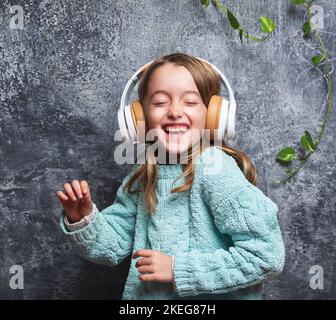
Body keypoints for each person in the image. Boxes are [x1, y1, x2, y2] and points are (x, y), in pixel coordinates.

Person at [55, 52, 285, 300]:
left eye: (190, 102)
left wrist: (177, 270)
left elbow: (265, 255)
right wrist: (83, 220)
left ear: (213, 115)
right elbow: (113, 246)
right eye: (160, 102)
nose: (175, 111)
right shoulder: (144, 174)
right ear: (139, 119)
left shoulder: (215, 169)